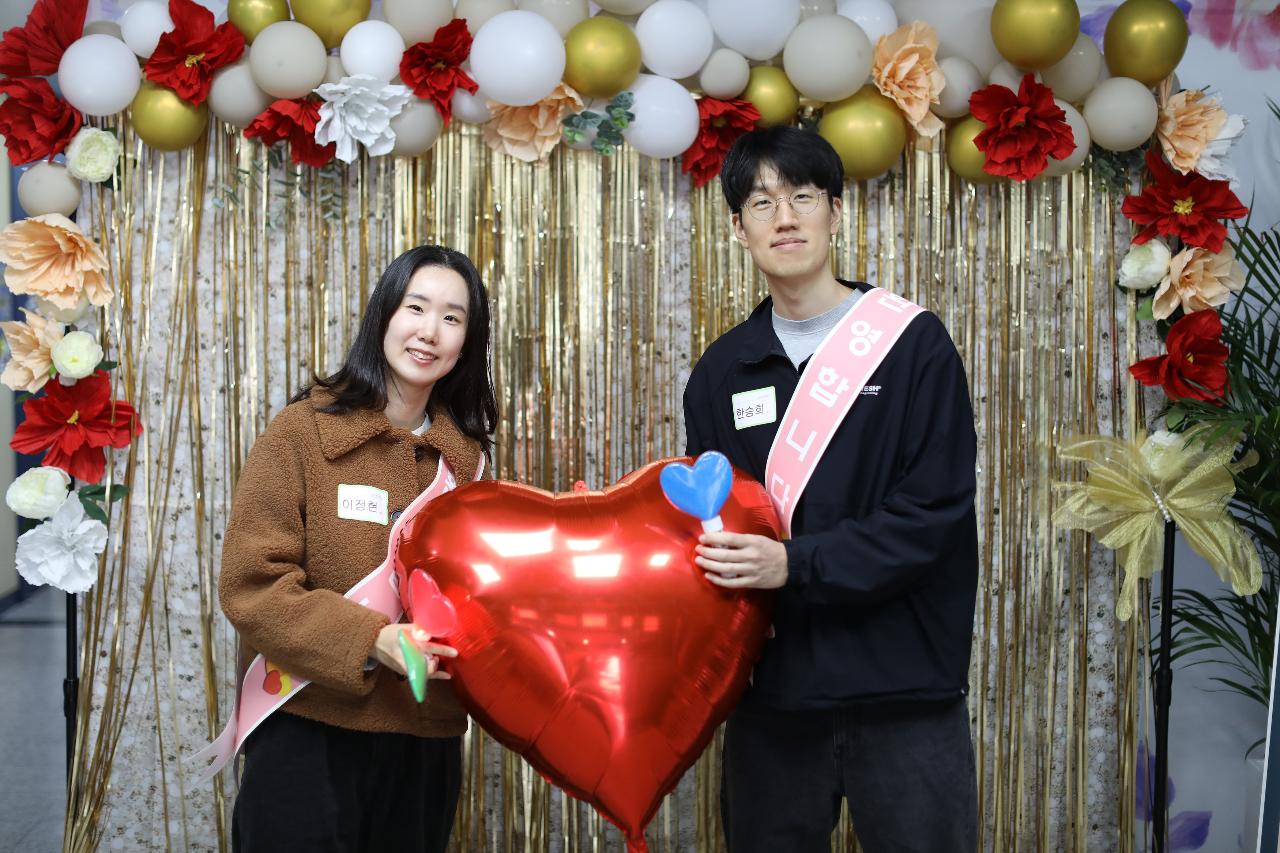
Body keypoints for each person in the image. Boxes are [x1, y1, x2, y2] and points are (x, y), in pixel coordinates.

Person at [682, 126, 980, 852]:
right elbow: (712, 531)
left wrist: (795, 563)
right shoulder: (722, 371)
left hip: (905, 691)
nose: (785, 218)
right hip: (774, 698)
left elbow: (933, 514)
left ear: (836, 213)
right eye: (762, 203)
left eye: (803, 197)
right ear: (739, 228)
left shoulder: (912, 345)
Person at [219, 245, 497, 853]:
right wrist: (373, 638)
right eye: (415, 307)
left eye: (452, 318)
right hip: (306, 728)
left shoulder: (468, 465)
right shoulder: (301, 433)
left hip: (423, 741)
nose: (429, 331)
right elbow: (252, 585)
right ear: (383, 316)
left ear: (467, 342)